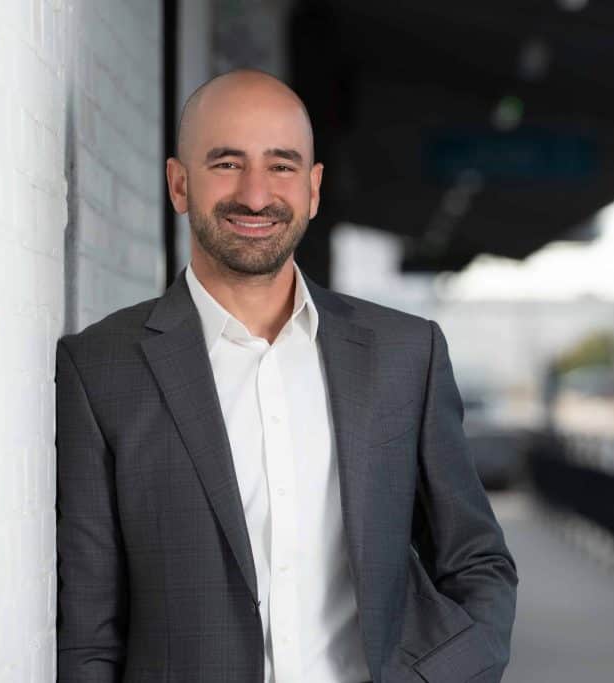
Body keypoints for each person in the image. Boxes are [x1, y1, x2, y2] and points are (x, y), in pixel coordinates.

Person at [55, 69, 517, 683]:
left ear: (313, 188)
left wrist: (450, 673)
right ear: (178, 183)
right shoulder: (101, 368)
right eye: (225, 163)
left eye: (281, 166)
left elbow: (477, 559)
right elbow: (90, 635)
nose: (254, 195)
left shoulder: (405, 354)